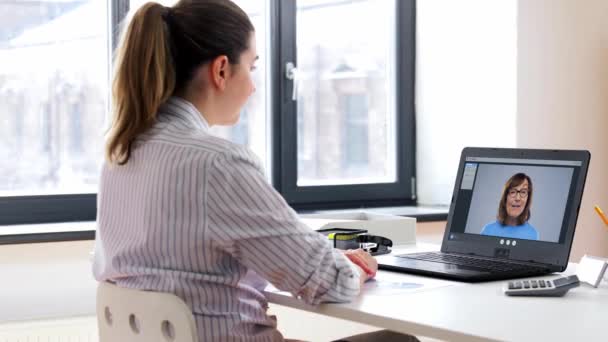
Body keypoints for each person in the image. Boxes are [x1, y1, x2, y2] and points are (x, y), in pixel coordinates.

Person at [92, 1, 417, 341]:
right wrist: (352, 265)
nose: (253, 87)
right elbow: (332, 282)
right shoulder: (218, 165)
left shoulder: (120, 154)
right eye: (252, 67)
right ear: (221, 70)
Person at [481, 173, 539, 240]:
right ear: (505, 198)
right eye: (513, 192)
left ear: (527, 200)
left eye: (523, 192)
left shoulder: (532, 235)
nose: (517, 198)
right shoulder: (488, 231)